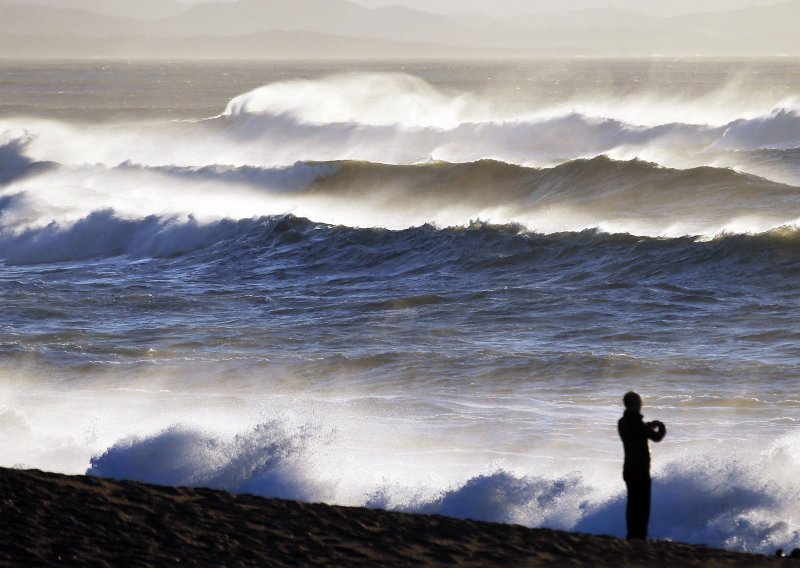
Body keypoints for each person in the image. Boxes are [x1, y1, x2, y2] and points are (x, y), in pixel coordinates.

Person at [618, 391, 666, 540]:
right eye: (639, 403)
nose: (641, 405)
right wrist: (662, 426)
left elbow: (637, 433)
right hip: (640, 470)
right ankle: (640, 535)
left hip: (628, 469)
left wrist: (647, 427)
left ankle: (632, 534)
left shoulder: (622, 422)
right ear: (634, 404)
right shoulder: (637, 423)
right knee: (643, 505)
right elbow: (656, 437)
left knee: (632, 504)